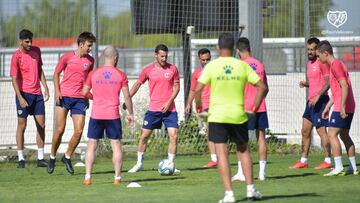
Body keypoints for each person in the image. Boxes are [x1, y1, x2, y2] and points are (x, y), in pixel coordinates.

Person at [195, 33, 267, 202]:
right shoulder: (241, 65)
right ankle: (250, 190)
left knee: (222, 154)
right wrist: (254, 108)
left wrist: (198, 106)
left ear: (218, 48)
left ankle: (229, 194)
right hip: (238, 115)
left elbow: (197, 89)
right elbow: (262, 87)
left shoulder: (212, 66)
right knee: (243, 151)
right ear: (234, 48)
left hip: (217, 116)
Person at [82, 46, 134, 185]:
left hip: (96, 114)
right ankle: (117, 178)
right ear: (115, 57)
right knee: (116, 145)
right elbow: (127, 97)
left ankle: (87, 177)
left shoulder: (93, 73)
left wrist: (95, 97)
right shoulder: (120, 75)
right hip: (113, 115)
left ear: (104, 57)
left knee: (92, 144)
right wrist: (131, 113)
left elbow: (84, 92)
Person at [47, 32, 96, 175]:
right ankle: (52, 157)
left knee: (79, 131)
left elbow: (88, 80)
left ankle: (67, 157)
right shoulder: (67, 57)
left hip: (80, 99)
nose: (90, 48)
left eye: (91, 46)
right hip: (64, 98)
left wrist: (87, 95)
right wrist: (57, 91)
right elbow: (56, 74)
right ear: (81, 44)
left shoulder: (90, 61)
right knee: (60, 130)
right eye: (88, 45)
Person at [127, 44, 180, 173]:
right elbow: (138, 84)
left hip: (170, 110)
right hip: (154, 110)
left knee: (173, 135)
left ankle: (170, 163)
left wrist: (169, 102)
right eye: (161, 56)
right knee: (144, 136)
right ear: (155, 55)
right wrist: (128, 98)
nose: (164, 59)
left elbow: (177, 87)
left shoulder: (173, 69)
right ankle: (139, 163)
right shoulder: (148, 70)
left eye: (166, 56)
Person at [288, 37, 332, 170]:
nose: (310, 52)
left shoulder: (322, 63)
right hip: (310, 102)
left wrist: (318, 96)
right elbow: (316, 82)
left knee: (321, 131)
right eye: (308, 49)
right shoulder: (309, 64)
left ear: (318, 50)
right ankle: (303, 160)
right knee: (305, 131)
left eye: (312, 49)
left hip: (321, 101)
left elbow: (328, 82)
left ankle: (328, 160)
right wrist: (306, 84)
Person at [317, 40, 358, 176]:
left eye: (319, 55)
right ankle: (353, 168)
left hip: (344, 106)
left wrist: (341, 107)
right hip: (347, 104)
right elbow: (337, 91)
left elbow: (344, 86)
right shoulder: (335, 65)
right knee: (344, 135)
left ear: (325, 53)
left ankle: (339, 167)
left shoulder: (335, 65)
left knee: (331, 134)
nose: (318, 58)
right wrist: (327, 107)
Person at [10, 29, 49, 168]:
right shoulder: (16, 56)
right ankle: (21, 159)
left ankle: (40, 158)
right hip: (23, 94)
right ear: (20, 41)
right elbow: (14, 79)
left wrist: (45, 87)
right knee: (22, 125)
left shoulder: (37, 51)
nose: (30, 43)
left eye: (31, 41)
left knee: (42, 125)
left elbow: (39, 70)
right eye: (27, 41)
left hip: (37, 94)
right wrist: (20, 97)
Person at [231, 37, 269, 182]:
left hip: (245, 108)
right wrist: (259, 101)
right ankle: (262, 173)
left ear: (238, 50)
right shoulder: (260, 65)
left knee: (240, 140)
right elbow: (265, 88)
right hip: (260, 106)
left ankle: (241, 173)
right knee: (261, 139)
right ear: (249, 48)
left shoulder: (239, 66)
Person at [185, 48, 217, 168]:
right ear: (199, 59)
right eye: (203, 60)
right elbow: (193, 90)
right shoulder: (196, 74)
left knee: (215, 131)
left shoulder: (216, 71)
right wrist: (188, 103)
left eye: (208, 59)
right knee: (210, 132)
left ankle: (217, 158)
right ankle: (214, 159)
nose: (205, 62)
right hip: (203, 106)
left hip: (215, 105)